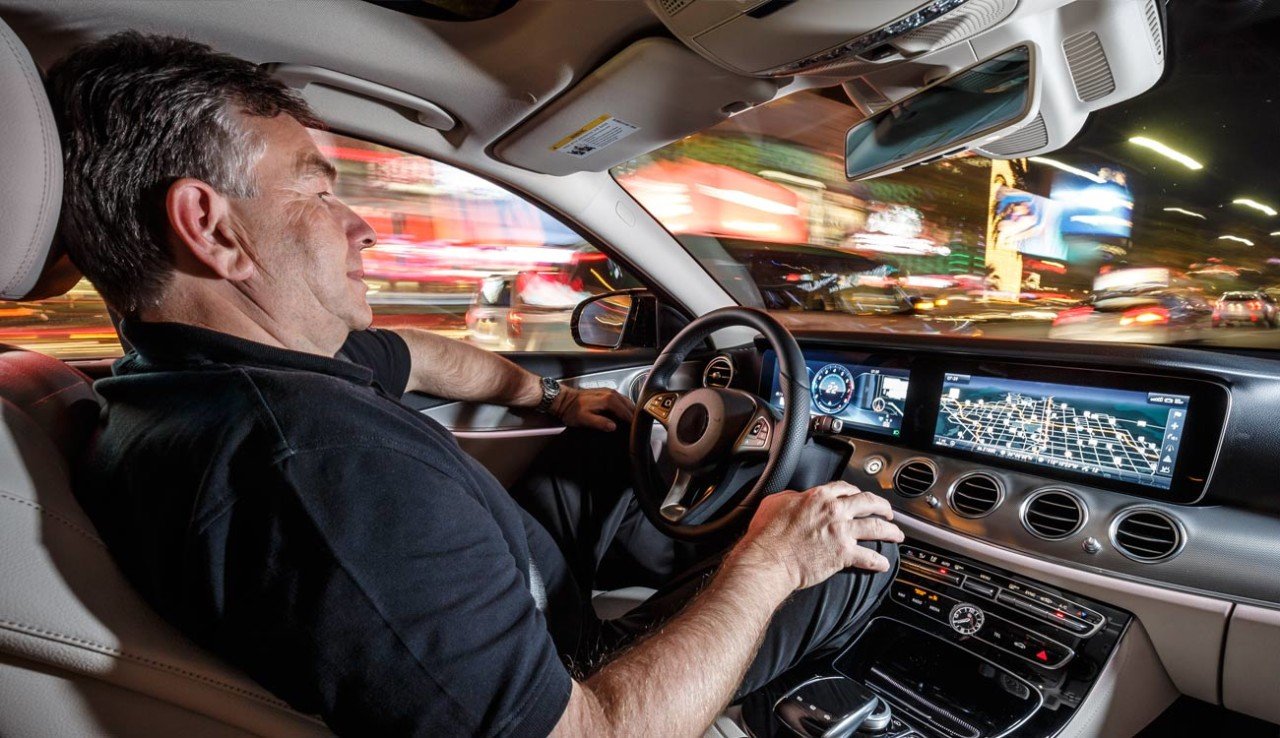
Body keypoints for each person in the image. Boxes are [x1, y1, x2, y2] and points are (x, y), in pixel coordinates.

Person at [51, 32, 902, 737]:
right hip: (580, 689)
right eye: (317, 191)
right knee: (857, 543)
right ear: (210, 228)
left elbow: (414, 355)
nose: (361, 228)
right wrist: (768, 562)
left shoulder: (199, 375)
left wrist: (550, 399)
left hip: (516, 610)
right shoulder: (327, 469)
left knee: (600, 441)